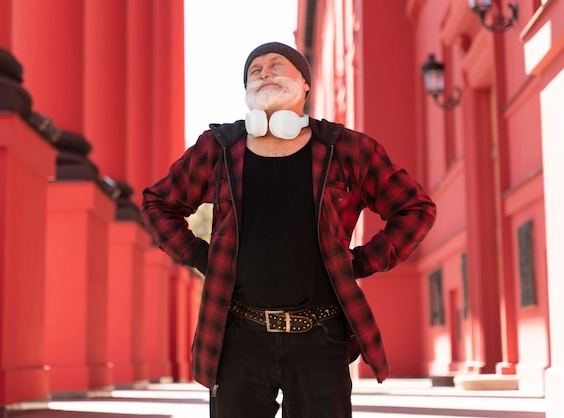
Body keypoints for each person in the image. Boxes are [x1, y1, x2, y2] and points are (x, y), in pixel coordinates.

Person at [141, 41, 436, 418]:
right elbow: (157, 203)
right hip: (237, 337)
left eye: (276, 65)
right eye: (254, 70)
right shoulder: (218, 148)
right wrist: (202, 256)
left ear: (305, 84)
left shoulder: (348, 149)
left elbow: (415, 208)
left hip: (321, 336)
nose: (264, 72)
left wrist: (361, 262)